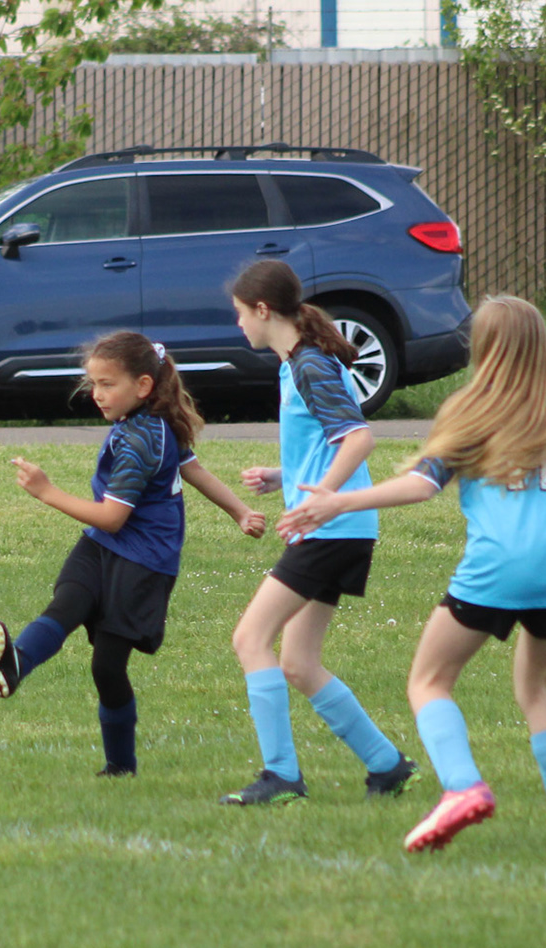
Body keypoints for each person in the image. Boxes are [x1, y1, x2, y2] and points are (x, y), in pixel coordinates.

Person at [280, 295, 546, 852]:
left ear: (483, 349)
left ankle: (463, 787)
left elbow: (421, 485)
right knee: (537, 690)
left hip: (494, 569)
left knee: (429, 681)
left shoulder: (471, 410)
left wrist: (338, 501)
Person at [0, 332, 266, 777]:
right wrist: (240, 511)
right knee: (65, 605)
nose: (96, 394)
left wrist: (46, 492)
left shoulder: (141, 440)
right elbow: (192, 468)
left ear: (143, 386)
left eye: (107, 384)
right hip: (100, 545)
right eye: (93, 383)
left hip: (143, 561)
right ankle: (16, 662)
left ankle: (120, 766)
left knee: (107, 667)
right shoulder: (148, 421)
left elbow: (113, 517)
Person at [218, 260, 419, 805]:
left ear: (263, 310)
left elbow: (358, 439)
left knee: (249, 639)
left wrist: (323, 497)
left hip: (334, 528)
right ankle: (387, 766)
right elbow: (325, 442)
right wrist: (283, 477)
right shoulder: (297, 365)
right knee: (298, 663)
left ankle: (281, 776)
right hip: (341, 527)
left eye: (240, 313)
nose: (239, 324)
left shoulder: (309, 365)